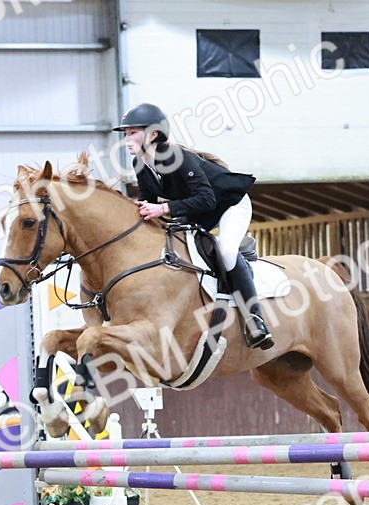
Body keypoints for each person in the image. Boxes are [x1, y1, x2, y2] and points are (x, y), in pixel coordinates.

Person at [113, 103, 273, 350]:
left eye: (132, 132)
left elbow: (207, 198)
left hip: (229, 205)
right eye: (125, 134)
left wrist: (164, 209)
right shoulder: (140, 165)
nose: (126, 140)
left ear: (153, 134)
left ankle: (255, 319)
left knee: (227, 251)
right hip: (199, 212)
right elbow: (148, 205)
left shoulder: (175, 156)